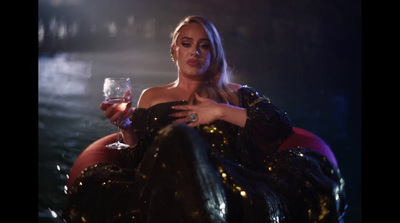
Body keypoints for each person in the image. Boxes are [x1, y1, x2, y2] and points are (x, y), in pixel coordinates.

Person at [64, 15, 347, 223]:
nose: (195, 52)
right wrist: (125, 126)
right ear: (174, 51)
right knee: (175, 142)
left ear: (214, 54)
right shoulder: (151, 96)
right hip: (164, 184)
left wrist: (219, 111)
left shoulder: (234, 93)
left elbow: (278, 125)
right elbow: (138, 155)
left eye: (204, 46)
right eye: (187, 44)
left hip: (228, 185)